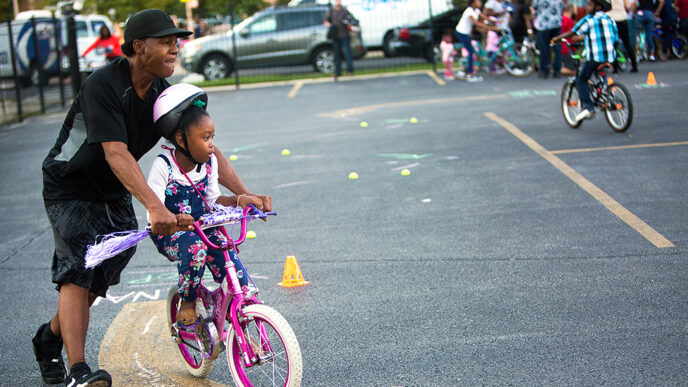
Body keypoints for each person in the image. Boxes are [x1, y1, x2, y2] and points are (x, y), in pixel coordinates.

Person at [33, 9, 271, 387]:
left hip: (115, 188)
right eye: (166, 42)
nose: (175, 48)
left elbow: (203, 149)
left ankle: (49, 337)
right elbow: (115, 152)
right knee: (78, 271)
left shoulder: (164, 94)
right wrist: (155, 206)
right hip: (71, 186)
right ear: (138, 46)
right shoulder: (103, 85)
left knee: (97, 279)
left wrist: (243, 195)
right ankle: (78, 371)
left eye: (176, 41)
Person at [146, 84, 261, 325]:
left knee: (227, 251)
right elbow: (154, 215)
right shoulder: (163, 166)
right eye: (205, 138)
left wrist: (241, 201)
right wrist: (174, 219)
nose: (211, 145)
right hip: (172, 233)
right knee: (195, 248)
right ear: (181, 139)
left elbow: (212, 200)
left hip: (203, 227)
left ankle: (242, 307)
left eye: (212, 137)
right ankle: (188, 301)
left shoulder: (209, 164)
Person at [552, 0, 619, 122]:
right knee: (600, 73)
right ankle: (605, 93)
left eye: (589, 4)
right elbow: (615, 38)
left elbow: (573, 32)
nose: (587, 7)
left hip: (595, 56)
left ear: (597, 6)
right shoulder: (610, 20)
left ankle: (588, 107)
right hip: (610, 56)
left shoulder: (589, 20)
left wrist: (557, 38)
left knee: (582, 78)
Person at [455, 0, 501, 82]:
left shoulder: (476, 10)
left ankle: (467, 70)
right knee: (470, 52)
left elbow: (484, 18)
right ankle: (470, 74)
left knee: (472, 51)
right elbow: (476, 23)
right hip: (461, 33)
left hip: (466, 33)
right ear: (473, 3)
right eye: (477, 1)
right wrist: (491, 28)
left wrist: (495, 22)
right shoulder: (469, 12)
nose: (480, 3)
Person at [532, 0, 564, 78]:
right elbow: (562, 6)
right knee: (557, 48)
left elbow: (534, 7)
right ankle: (557, 71)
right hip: (556, 24)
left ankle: (544, 71)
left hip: (544, 25)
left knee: (544, 49)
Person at [325, 0, 355, 76]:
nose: (338, 2)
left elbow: (351, 20)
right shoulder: (331, 11)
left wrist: (348, 23)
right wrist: (330, 26)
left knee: (347, 53)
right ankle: (338, 72)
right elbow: (326, 22)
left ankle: (350, 71)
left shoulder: (345, 11)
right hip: (335, 36)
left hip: (344, 35)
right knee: (336, 55)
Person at [608, 0, 639, 70]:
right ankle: (634, 65)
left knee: (613, 44)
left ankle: (615, 67)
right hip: (622, 18)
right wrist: (624, 13)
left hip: (610, 19)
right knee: (627, 42)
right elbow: (628, 7)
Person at [560, 3, 577, 75]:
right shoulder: (569, 21)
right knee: (574, 70)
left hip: (561, 47)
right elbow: (573, 37)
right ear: (571, 10)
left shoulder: (561, 19)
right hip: (568, 48)